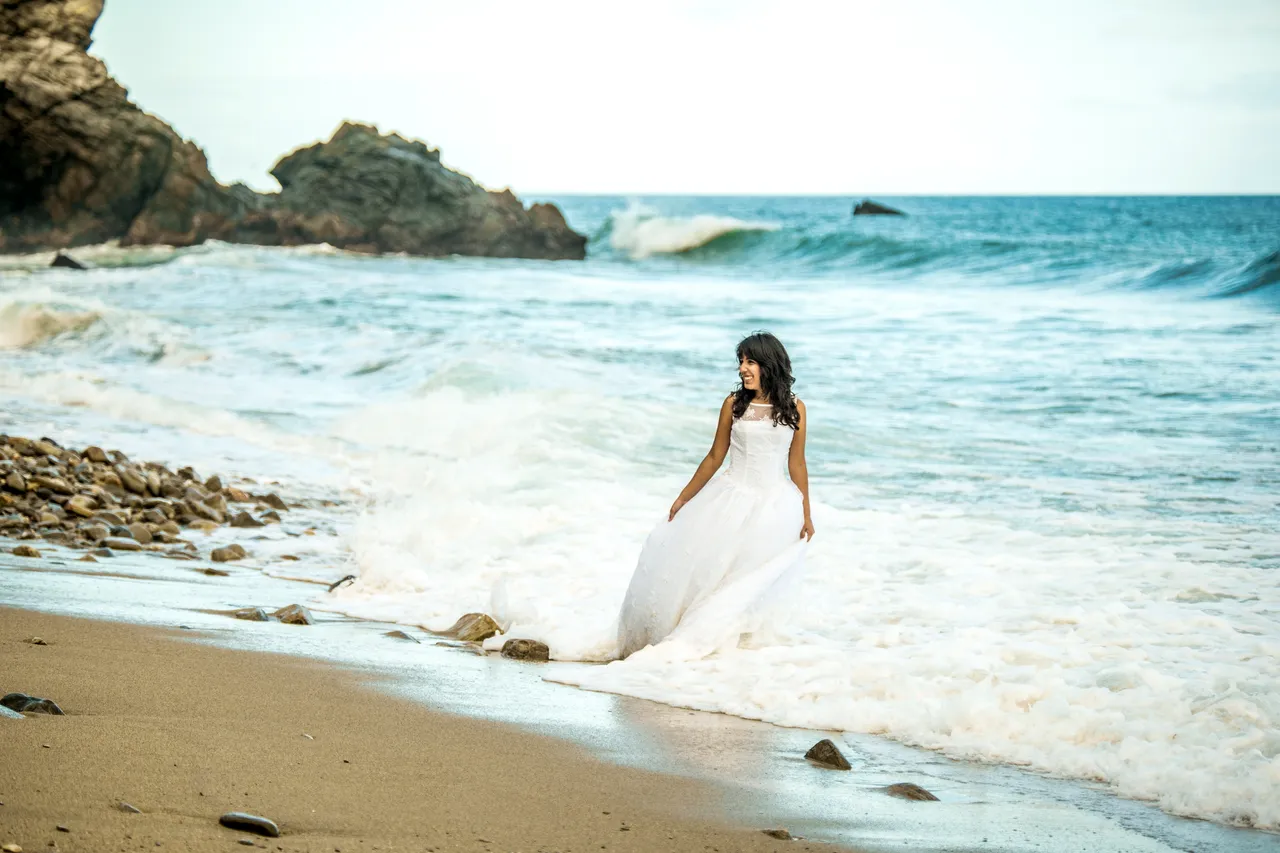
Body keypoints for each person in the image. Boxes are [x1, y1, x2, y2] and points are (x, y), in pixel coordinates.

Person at [615, 331, 813, 660]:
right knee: (716, 574)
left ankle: (738, 649)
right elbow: (714, 457)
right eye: (740, 361)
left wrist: (806, 514)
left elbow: (797, 463)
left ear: (769, 364)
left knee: (750, 578)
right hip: (731, 499)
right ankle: (702, 641)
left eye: (750, 362)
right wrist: (683, 498)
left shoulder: (795, 408)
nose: (742, 369)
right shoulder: (734, 405)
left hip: (775, 507)